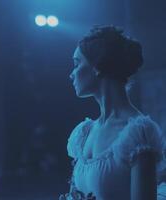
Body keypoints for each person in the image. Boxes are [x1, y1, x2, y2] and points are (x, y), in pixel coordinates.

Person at [59, 25, 166, 200]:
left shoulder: (138, 134)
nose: (71, 74)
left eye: (77, 64)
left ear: (97, 67)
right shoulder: (84, 133)